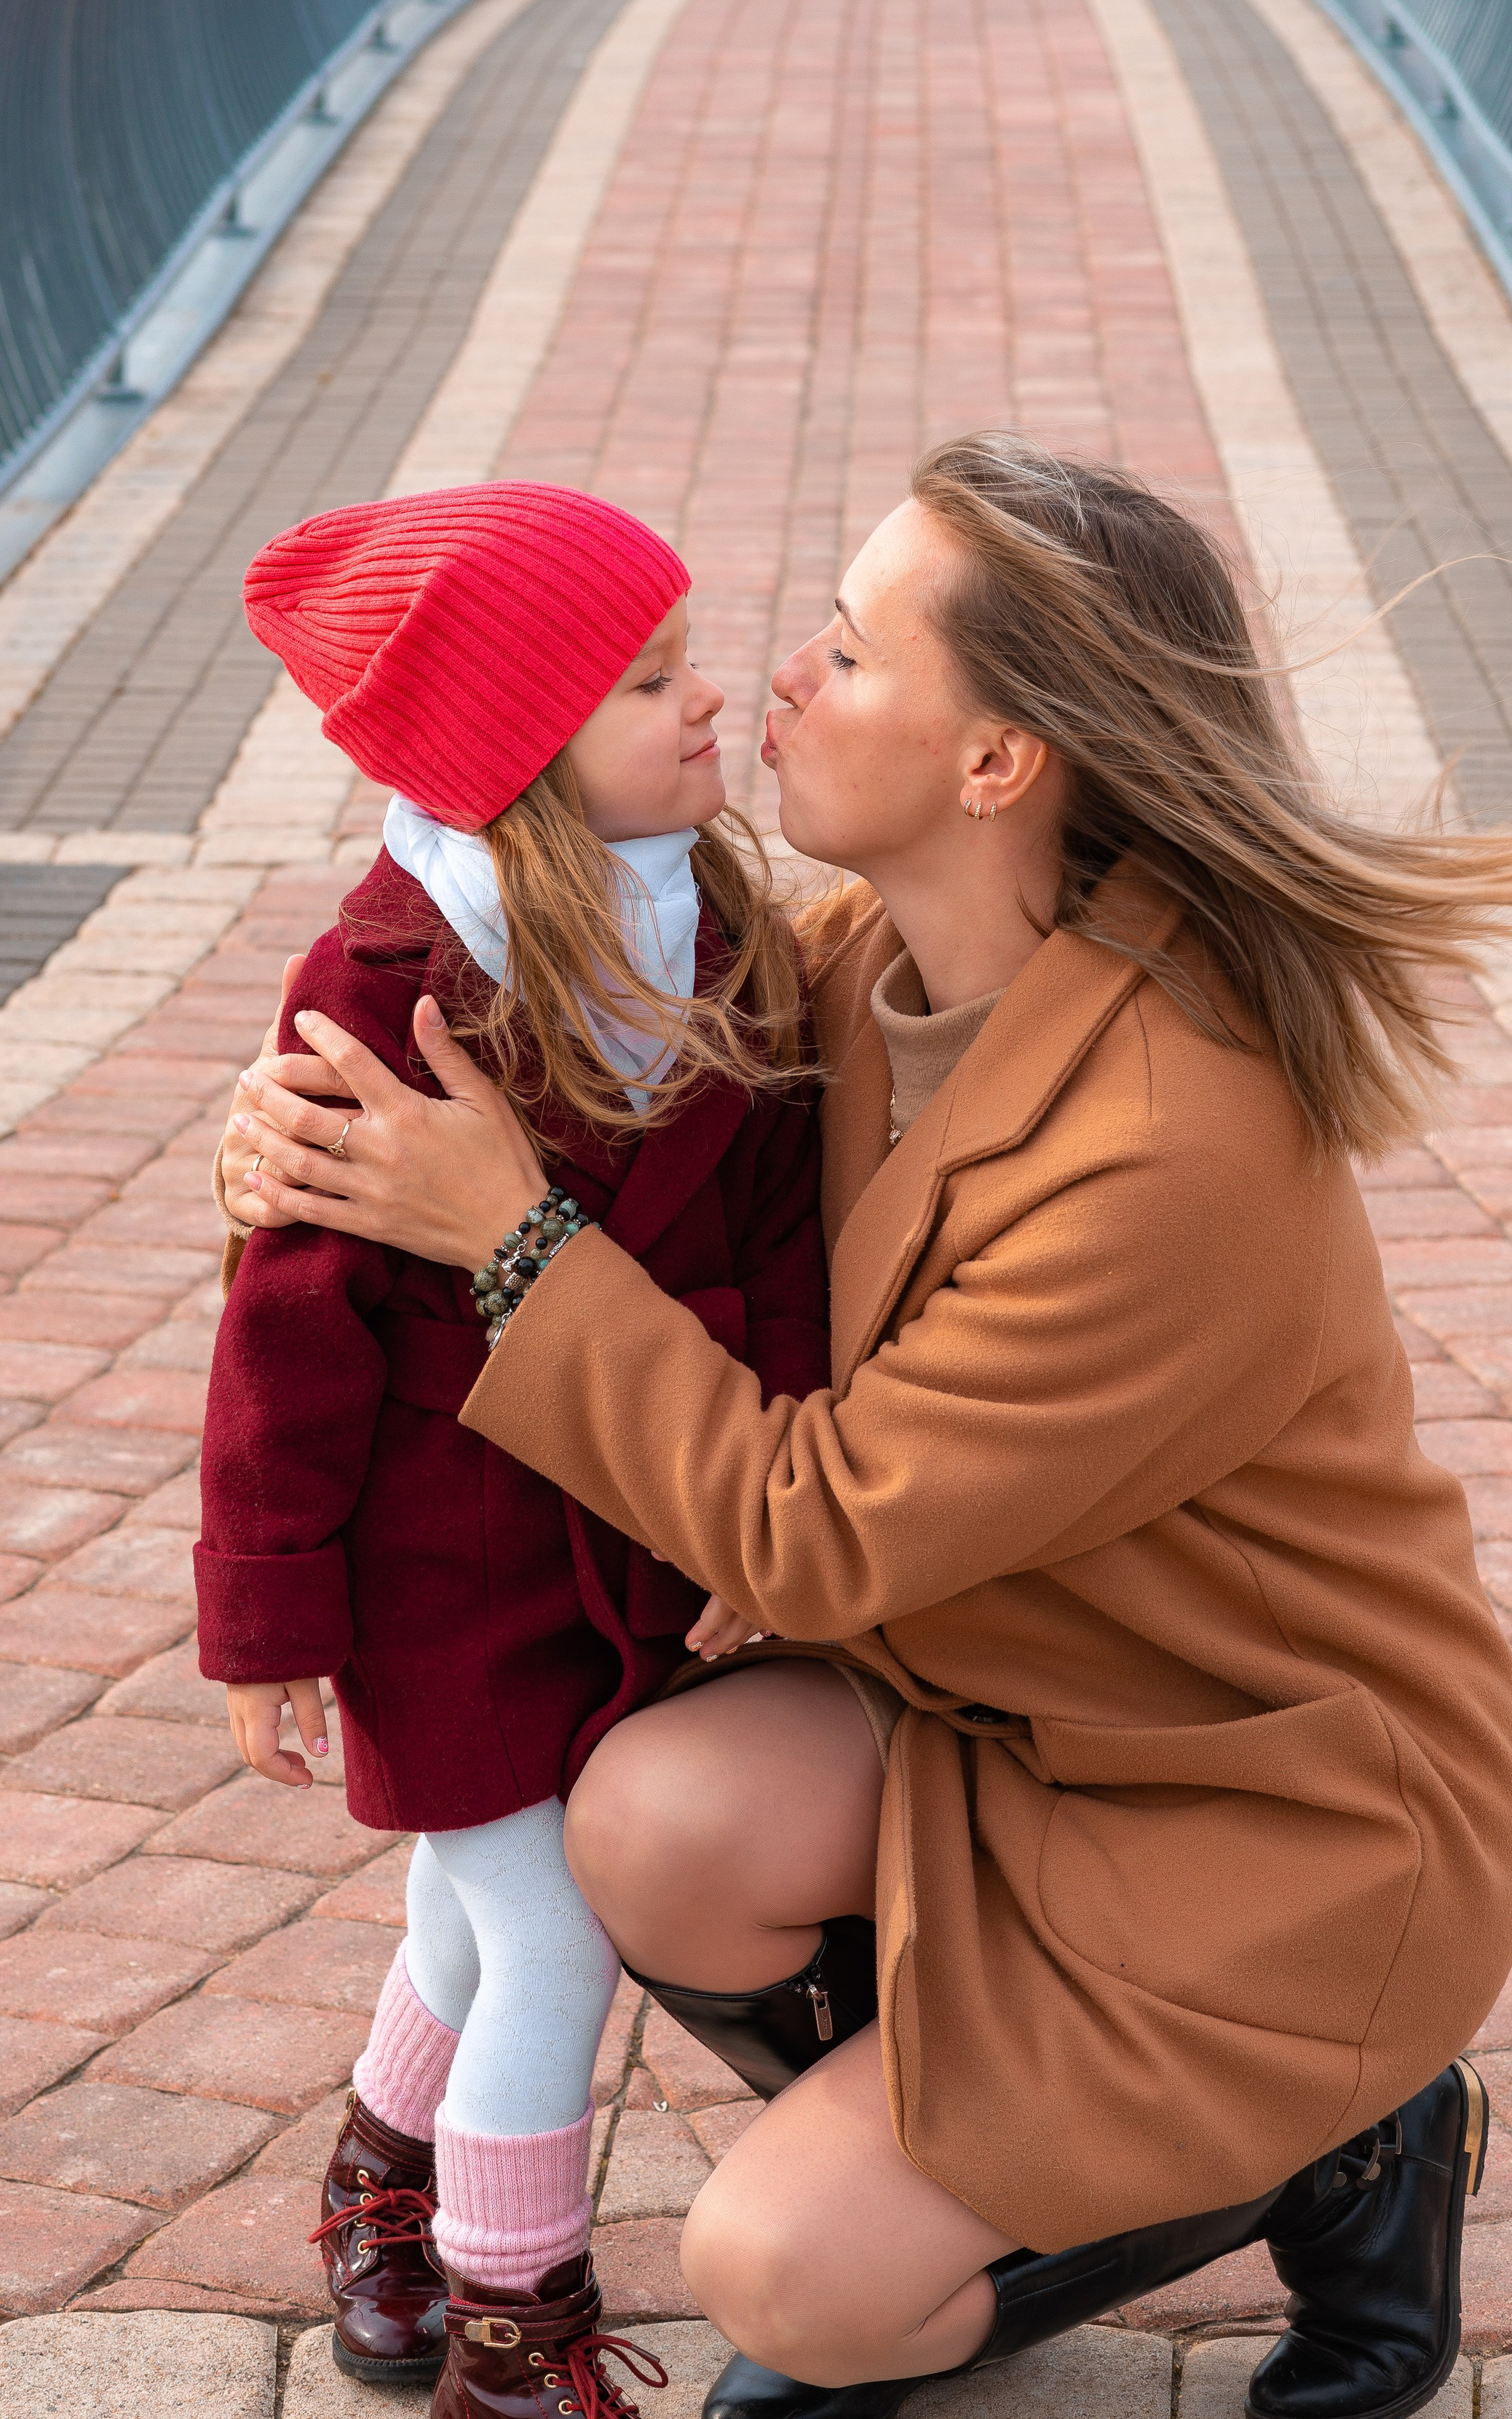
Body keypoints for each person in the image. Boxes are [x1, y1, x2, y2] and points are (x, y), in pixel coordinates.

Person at [215, 435, 1512, 2419]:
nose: (781, 673)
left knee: (779, 2270)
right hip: (1016, 1720)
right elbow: (571, 1084)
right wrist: (289, 1137)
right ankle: (983, 2125)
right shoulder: (872, 966)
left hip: (1264, 1818)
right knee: (641, 1816)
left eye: (853, 655)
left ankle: (1339, 2136)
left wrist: (503, 1233)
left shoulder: (1159, 1141)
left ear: (997, 765)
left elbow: (808, 1529)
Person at [198, 483, 827, 2416]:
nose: (711, 699)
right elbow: (285, 1328)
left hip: (637, 1525)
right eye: (652, 682)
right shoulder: (384, 986)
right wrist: (272, 1609)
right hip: (443, 1567)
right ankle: (510, 2325)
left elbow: (778, 1230)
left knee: (469, 1911)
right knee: (552, 1920)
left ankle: (382, 2168)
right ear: (519, 763)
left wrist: (773, 1487)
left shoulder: (716, 925)